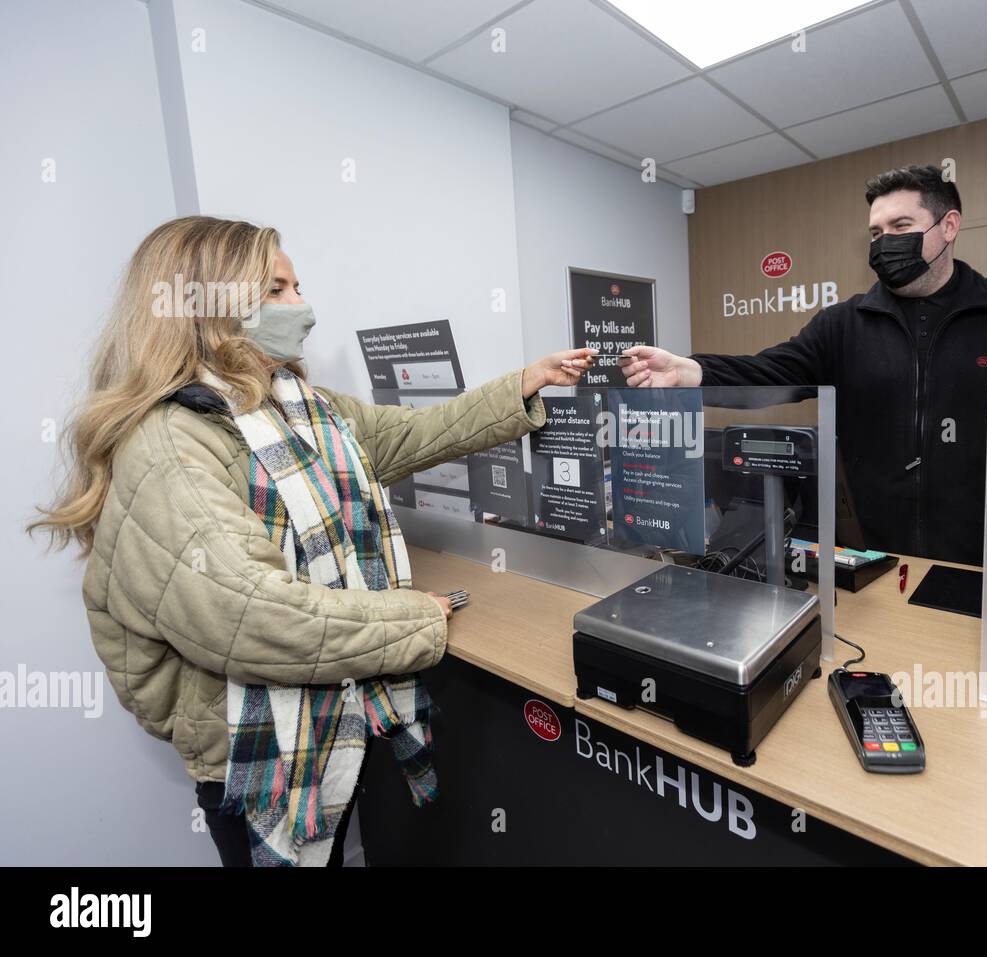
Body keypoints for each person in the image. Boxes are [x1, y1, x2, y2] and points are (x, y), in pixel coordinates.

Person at [29, 216, 595, 866]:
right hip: (257, 757)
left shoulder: (299, 409)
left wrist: (522, 383)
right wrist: (409, 619)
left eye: (298, 285)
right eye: (277, 289)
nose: (302, 305)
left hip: (325, 724)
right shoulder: (170, 444)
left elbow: (411, 433)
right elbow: (252, 614)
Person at [621, 164, 987, 565]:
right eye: (876, 233)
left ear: (949, 226)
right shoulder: (844, 323)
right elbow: (774, 370)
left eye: (901, 227)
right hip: (876, 551)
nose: (885, 243)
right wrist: (690, 372)